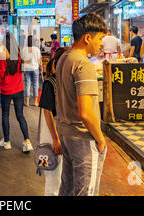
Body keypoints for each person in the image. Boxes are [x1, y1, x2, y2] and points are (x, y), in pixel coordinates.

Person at [56, 13, 108, 196]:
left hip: (66, 132)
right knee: (87, 192)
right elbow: (86, 113)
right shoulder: (84, 64)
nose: (102, 44)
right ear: (87, 38)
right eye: (100, 38)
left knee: (68, 188)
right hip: (83, 138)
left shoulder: (64, 58)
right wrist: (101, 139)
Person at [38, 47, 68, 196]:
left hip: (62, 134)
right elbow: (47, 112)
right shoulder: (50, 83)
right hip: (51, 136)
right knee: (52, 180)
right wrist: (55, 139)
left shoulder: (66, 81)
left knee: (62, 178)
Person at [0, 32, 33, 152]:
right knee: (20, 115)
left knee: (5, 115)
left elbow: (1, 73)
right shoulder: (18, 56)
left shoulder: (2, 56)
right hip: (19, 89)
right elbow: (22, 71)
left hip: (6, 90)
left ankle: (7, 141)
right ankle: (27, 141)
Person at [22, 35, 43, 107]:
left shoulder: (24, 49)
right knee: (35, 84)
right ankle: (35, 102)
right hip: (35, 68)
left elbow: (22, 60)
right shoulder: (36, 49)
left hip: (26, 68)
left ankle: (27, 102)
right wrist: (41, 67)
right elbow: (39, 60)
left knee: (27, 84)